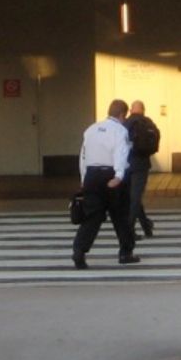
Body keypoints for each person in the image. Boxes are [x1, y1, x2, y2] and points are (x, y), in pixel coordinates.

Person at [73, 99, 139, 270]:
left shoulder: (91, 129)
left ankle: (79, 251)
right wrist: (118, 175)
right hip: (110, 175)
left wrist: (83, 178)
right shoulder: (120, 130)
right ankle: (126, 253)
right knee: (120, 216)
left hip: (91, 175)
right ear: (122, 115)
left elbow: (83, 156)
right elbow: (121, 153)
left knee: (92, 217)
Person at [123, 99, 161, 239]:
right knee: (135, 197)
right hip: (142, 164)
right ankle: (141, 226)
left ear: (131, 110)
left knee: (132, 198)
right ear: (143, 110)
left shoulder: (125, 123)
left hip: (126, 164)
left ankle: (133, 229)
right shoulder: (148, 122)